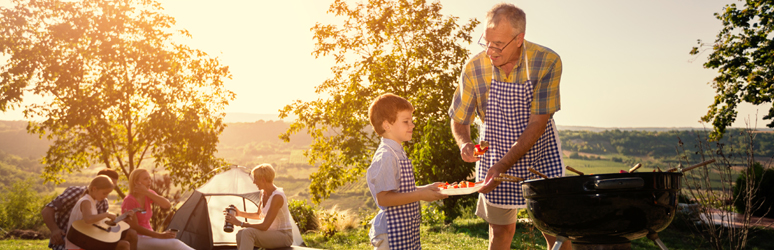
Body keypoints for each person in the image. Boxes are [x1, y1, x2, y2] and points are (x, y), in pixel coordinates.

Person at [447, 3, 571, 250]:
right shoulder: (474, 68)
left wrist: (503, 165)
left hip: (540, 156)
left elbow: (537, 124)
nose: (490, 51)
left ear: (519, 39)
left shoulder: (547, 61)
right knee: (501, 233)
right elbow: (459, 119)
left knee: (555, 233)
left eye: (498, 44)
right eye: (486, 41)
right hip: (493, 156)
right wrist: (465, 143)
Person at [366, 93, 448, 250]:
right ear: (387, 125)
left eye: (411, 121)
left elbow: (399, 190)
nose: (412, 125)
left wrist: (425, 189)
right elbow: (384, 198)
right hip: (391, 233)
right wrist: (420, 195)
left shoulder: (397, 151)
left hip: (403, 230)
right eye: (406, 121)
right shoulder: (387, 156)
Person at [42, 169, 138, 250]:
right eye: (107, 185)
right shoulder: (78, 194)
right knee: (123, 245)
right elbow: (47, 210)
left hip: (89, 239)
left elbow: (102, 225)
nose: (107, 194)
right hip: (69, 240)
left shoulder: (102, 200)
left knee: (130, 235)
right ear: (96, 185)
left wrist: (122, 219)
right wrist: (54, 230)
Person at [224, 164, 294, 250]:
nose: (254, 182)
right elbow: (259, 215)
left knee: (247, 233)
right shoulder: (263, 193)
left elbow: (264, 226)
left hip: (284, 236)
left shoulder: (277, 197)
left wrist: (240, 223)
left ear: (263, 179)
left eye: (255, 179)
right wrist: (239, 213)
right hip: (270, 233)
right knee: (240, 234)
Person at [121, 168, 193, 250]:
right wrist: (159, 235)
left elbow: (167, 205)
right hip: (137, 238)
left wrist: (147, 192)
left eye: (149, 178)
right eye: (145, 179)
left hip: (149, 236)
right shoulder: (129, 200)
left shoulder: (148, 193)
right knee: (175, 244)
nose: (149, 181)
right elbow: (134, 227)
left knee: (172, 242)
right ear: (136, 182)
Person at [65, 175, 135, 250]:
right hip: (78, 245)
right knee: (123, 245)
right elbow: (88, 219)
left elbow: (95, 223)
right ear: (94, 189)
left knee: (125, 240)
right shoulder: (86, 201)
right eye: (104, 193)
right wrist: (106, 214)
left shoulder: (92, 201)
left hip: (85, 241)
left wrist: (122, 219)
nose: (106, 196)